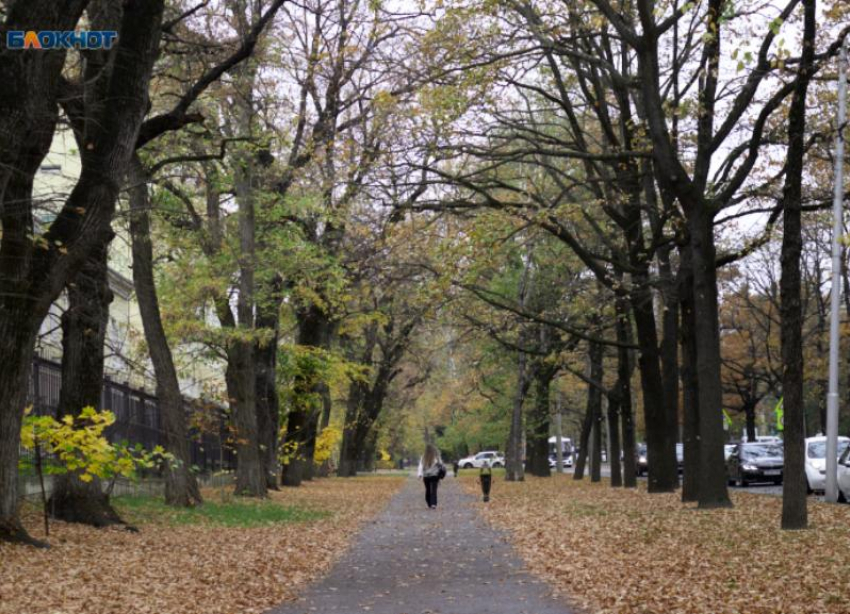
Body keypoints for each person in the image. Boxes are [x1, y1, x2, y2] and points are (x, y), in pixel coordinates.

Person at [417, 443, 443, 509]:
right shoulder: (436, 456)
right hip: (434, 475)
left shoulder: (423, 457)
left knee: (428, 490)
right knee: (434, 490)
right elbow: (441, 464)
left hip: (426, 476)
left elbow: (420, 466)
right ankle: (433, 503)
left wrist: (420, 474)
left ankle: (429, 502)